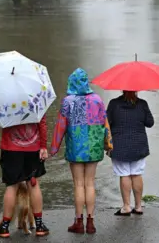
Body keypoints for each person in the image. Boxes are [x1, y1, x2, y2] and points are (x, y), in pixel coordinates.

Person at [50, 68, 113, 234]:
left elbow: (60, 126)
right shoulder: (97, 100)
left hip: (76, 147)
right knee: (90, 183)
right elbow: (104, 124)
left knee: (78, 184)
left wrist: (54, 148)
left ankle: (78, 222)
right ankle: (91, 223)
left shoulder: (68, 101)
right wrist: (108, 144)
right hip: (94, 145)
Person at [0, 116, 50, 238]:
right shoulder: (38, 97)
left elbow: (1, 121)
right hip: (33, 148)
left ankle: (4, 227)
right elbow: (42, 123)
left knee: (11, 186)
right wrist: (43, 146)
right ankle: (39, 226)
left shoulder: (5, 97)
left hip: (11, 149)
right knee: (33, 184)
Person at [107, 91, 154, 216]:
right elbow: (150, 123)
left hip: (119, 145)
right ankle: (138, 206)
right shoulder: (142, 104)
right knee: (137, 174)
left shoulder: (114, 104)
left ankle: (126, 206)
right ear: (136, 89)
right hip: (139, 145)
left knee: (124, 174)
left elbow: (106, 124)